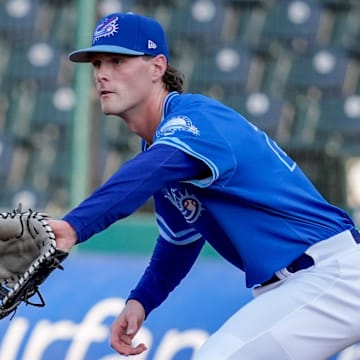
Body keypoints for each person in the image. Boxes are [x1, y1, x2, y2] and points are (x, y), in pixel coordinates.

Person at [50, 12, 360, 359]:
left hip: (331, 275)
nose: (102, 73)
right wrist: (142, 300)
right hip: (302, 285)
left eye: (118, 60)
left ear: (157, 67)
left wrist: (75, 225)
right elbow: (179, 239)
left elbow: (147, 172)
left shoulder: (193, 120)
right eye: (96, 63)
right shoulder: (162, 147)